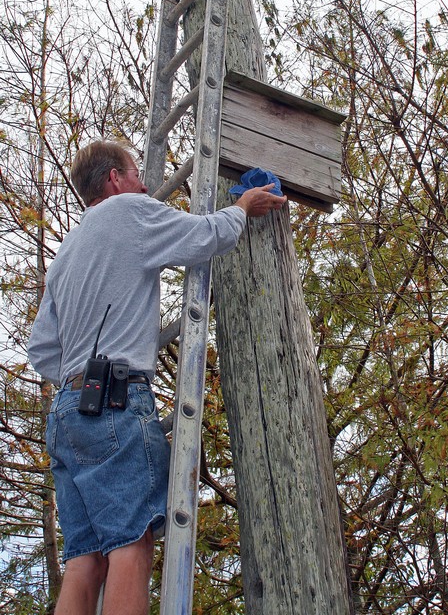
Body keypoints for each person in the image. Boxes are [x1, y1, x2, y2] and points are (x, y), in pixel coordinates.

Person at [27, 139, 286, 615]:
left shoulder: (67, 252)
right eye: (136, 174)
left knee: (84, 558)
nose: (147, 185)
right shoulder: (129, 210)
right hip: (113, 401)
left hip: (67, 414)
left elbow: (42, 348)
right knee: (131, 540)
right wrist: (244, 208)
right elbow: (205, 235)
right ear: (114, 180)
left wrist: (80, 374)